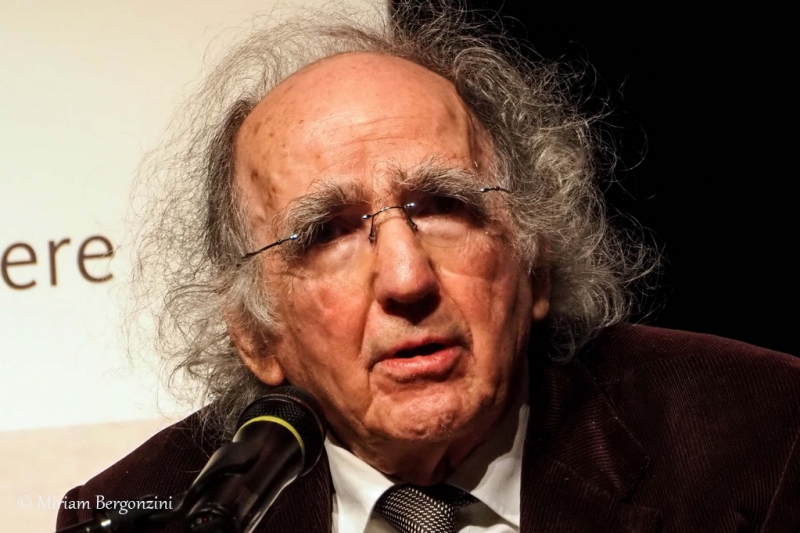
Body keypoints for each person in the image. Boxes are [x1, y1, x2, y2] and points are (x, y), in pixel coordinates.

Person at [56, 4, 800, 532]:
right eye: (327, 233)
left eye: (444, 205)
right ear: (256, 333)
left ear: (533, 259)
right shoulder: (137, 509)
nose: (407, 279)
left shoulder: (763, 436)